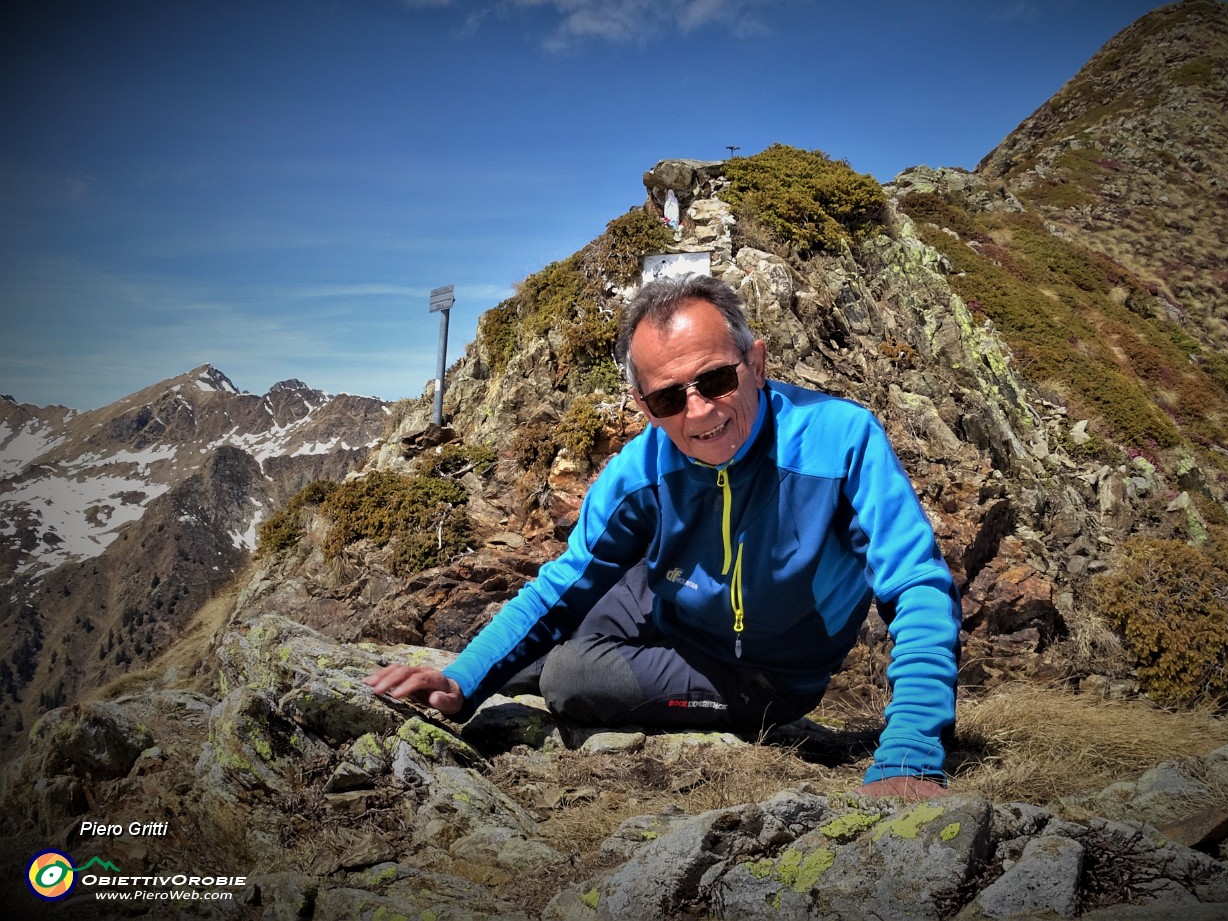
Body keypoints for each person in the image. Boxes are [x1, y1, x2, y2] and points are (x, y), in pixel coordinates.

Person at [365, 274, 961, 799]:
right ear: (643, 404)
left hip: (764, 669)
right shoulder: (640, 469)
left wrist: (910, 750)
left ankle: (547, 669)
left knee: (572, 676)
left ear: (755, 363)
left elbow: (916, 586)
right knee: (571, 613)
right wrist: (460, 681)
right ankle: (499, 668)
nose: (698, 412)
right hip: (669, 604)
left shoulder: (841, 439)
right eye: (669, 397)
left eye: (717, 380)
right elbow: (565, 584)